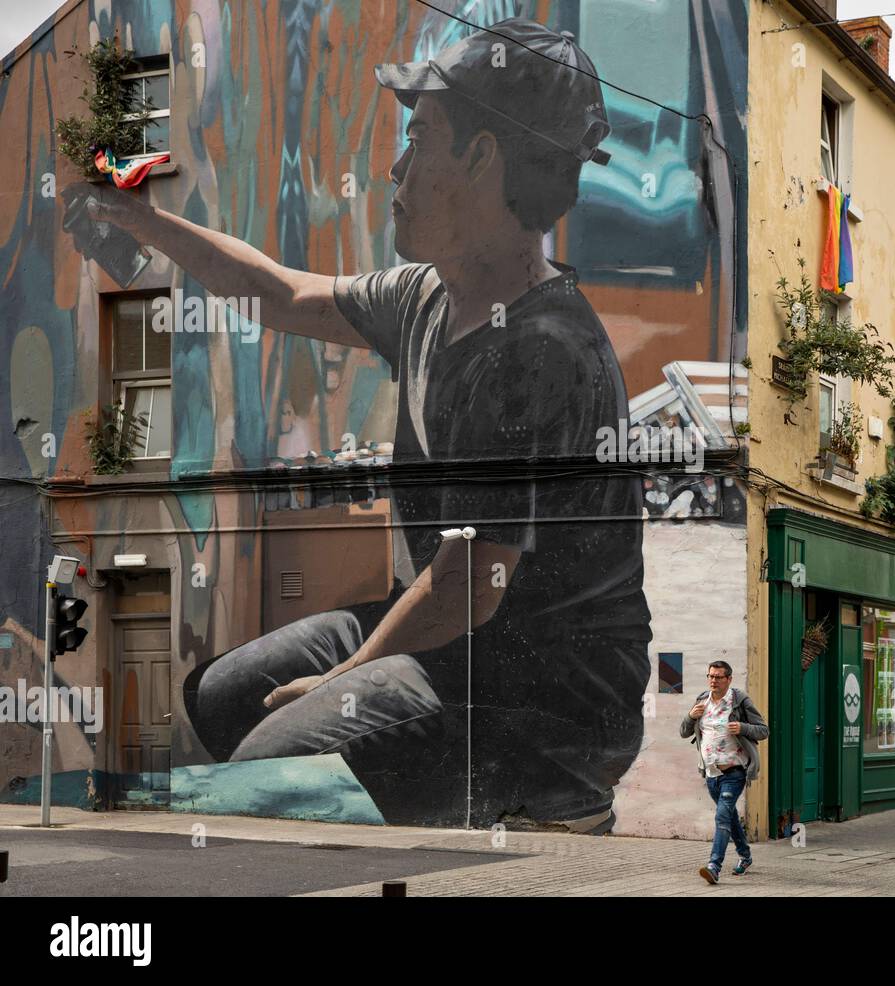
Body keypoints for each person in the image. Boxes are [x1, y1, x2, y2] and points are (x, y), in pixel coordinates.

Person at [67, 18, 652, 831]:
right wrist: (139, 220)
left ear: (484, 158)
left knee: (270, 770)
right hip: (458, 641)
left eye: (419, 138)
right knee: (216, 697)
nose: (395, 167)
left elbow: (470, 585)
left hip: (542, 699)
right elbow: (280, 295)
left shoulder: (543, 351)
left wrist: (349, 675)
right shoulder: (422, 297)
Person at [680, 661, 769, 884]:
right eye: (710, 676)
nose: (713, 681)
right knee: (729, 817)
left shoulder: (739, 700)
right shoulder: (702, 701)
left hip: (734, 773)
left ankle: (714, 866)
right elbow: (683, 732)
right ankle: (745, 856)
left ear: (729, 679)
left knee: (721, 816)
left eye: (719, 677)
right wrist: (691, 716)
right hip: (711, 774)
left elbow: (763, 730)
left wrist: (743, 727)